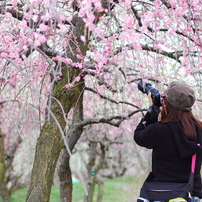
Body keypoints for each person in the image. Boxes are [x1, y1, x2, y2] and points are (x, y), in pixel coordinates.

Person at [134, 81, 202, 201]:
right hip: (191, 194)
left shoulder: (159, 129)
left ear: (167, 103)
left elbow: (139, 136)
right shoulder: (199, 129)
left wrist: (152, 109)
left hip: (161, 194)